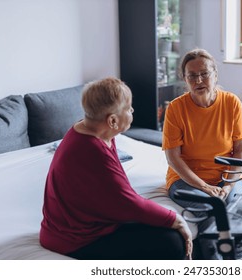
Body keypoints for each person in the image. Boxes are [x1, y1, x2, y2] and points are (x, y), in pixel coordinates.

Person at [39, 77, 192, 260]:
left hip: (82, 223)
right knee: (173, 242)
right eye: (128, 108)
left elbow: (116, 192)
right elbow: (127, 202)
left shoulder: (90, 129)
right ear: (112, 121)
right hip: (73, 239)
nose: (132, 110)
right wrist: (175, 220)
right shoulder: (92, 150)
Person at [162, 48, 242, 259]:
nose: (199, 80)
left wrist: (228, 184)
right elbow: (173, 158)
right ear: (185, 79)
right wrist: (205, 187)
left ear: (215, 74)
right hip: (186, 180)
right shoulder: (175, 109)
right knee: (215, 209)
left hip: (226, 177)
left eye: (204, 73)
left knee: (237, 209)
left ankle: (234, 260)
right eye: (192, 75)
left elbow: (240, 149)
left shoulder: (231, 102)